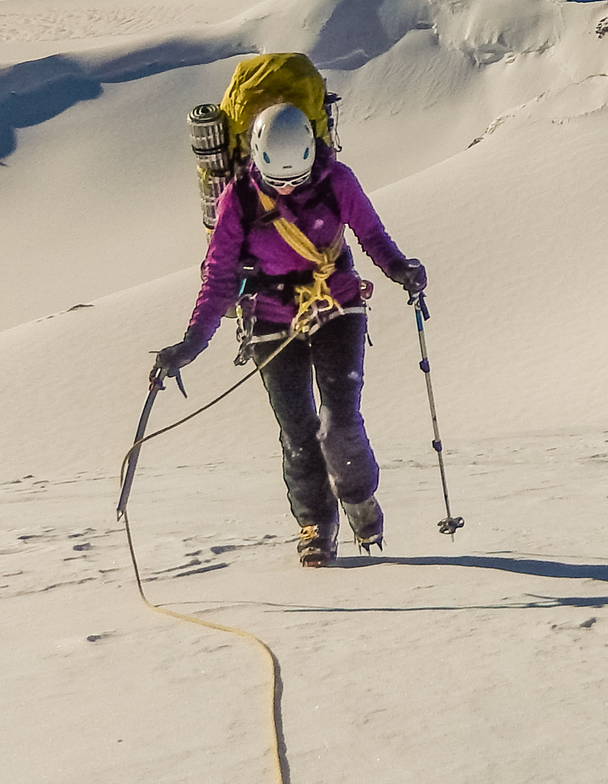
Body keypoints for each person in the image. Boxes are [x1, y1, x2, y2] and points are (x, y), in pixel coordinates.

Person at [152, 101, 425, 567]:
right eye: (277, 182)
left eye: (295, 180)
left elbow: (371, 234)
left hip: (338, 307)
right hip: (269, 322)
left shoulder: (337, 181)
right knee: (298, 430)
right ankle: (316, 524)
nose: (287, 188)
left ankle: (358, 498)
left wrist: (399, 267)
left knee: (338, 419)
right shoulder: (237, 198)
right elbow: (218, 277)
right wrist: (192, 342)